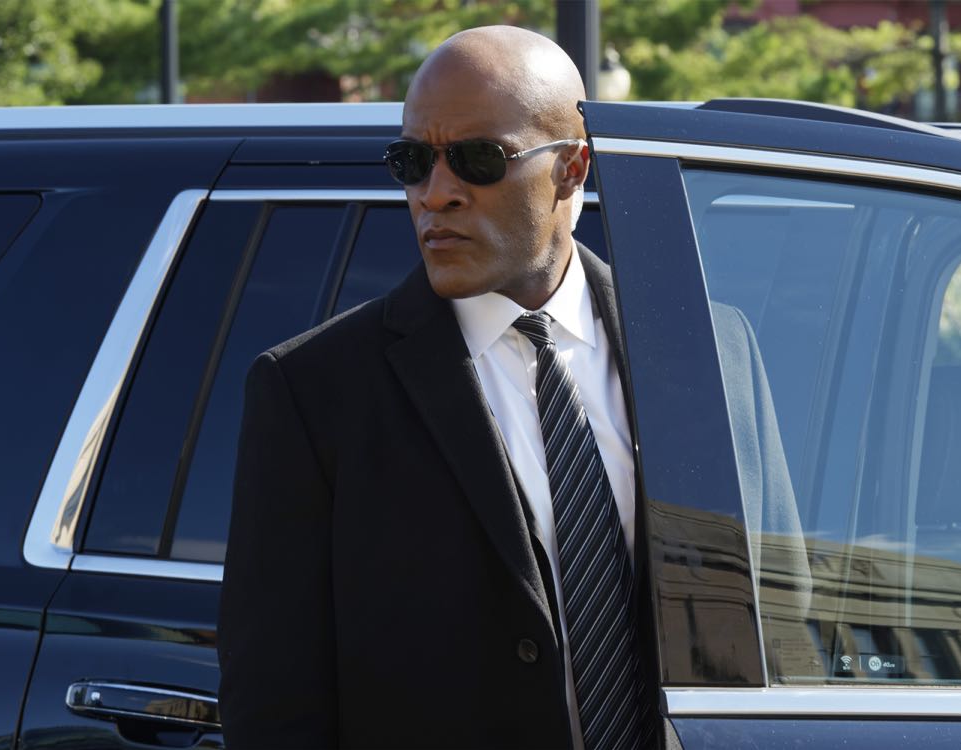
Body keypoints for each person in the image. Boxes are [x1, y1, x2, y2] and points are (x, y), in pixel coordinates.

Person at [218, 25, 657, 750]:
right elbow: (275, 706)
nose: (435, 194)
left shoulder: (701, 350)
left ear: (572, 168)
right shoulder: (312, 392)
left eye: (478, 160)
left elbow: (779, 616)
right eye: (413, 161)